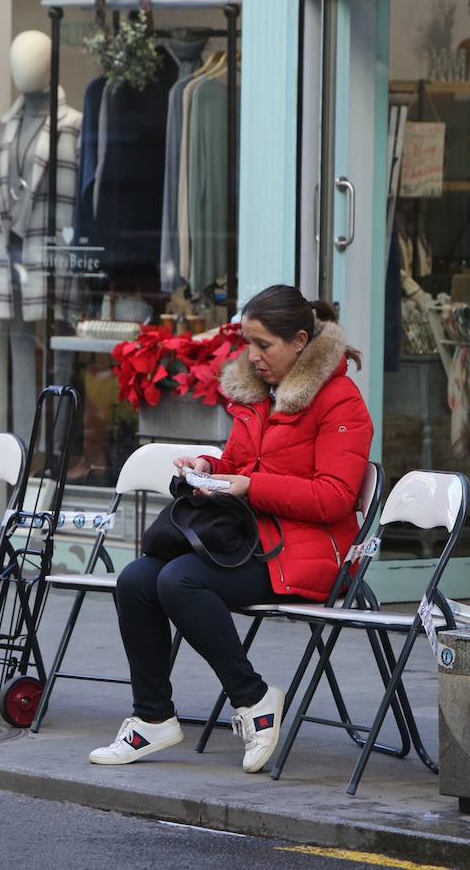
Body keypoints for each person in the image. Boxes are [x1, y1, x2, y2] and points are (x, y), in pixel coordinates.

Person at [90, 285, 373, 772]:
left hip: (311, 554)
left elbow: (334, 498)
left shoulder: (340, 401)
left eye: (264, 344)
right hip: (251, 539)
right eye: (249, 343)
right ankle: (152, 717)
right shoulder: (260, 395)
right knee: (137, 578)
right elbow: (242, 465)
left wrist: (249, 486)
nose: (254, 356)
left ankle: (255, 699)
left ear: (300, 340)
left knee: (179, 579)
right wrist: (207, 466)